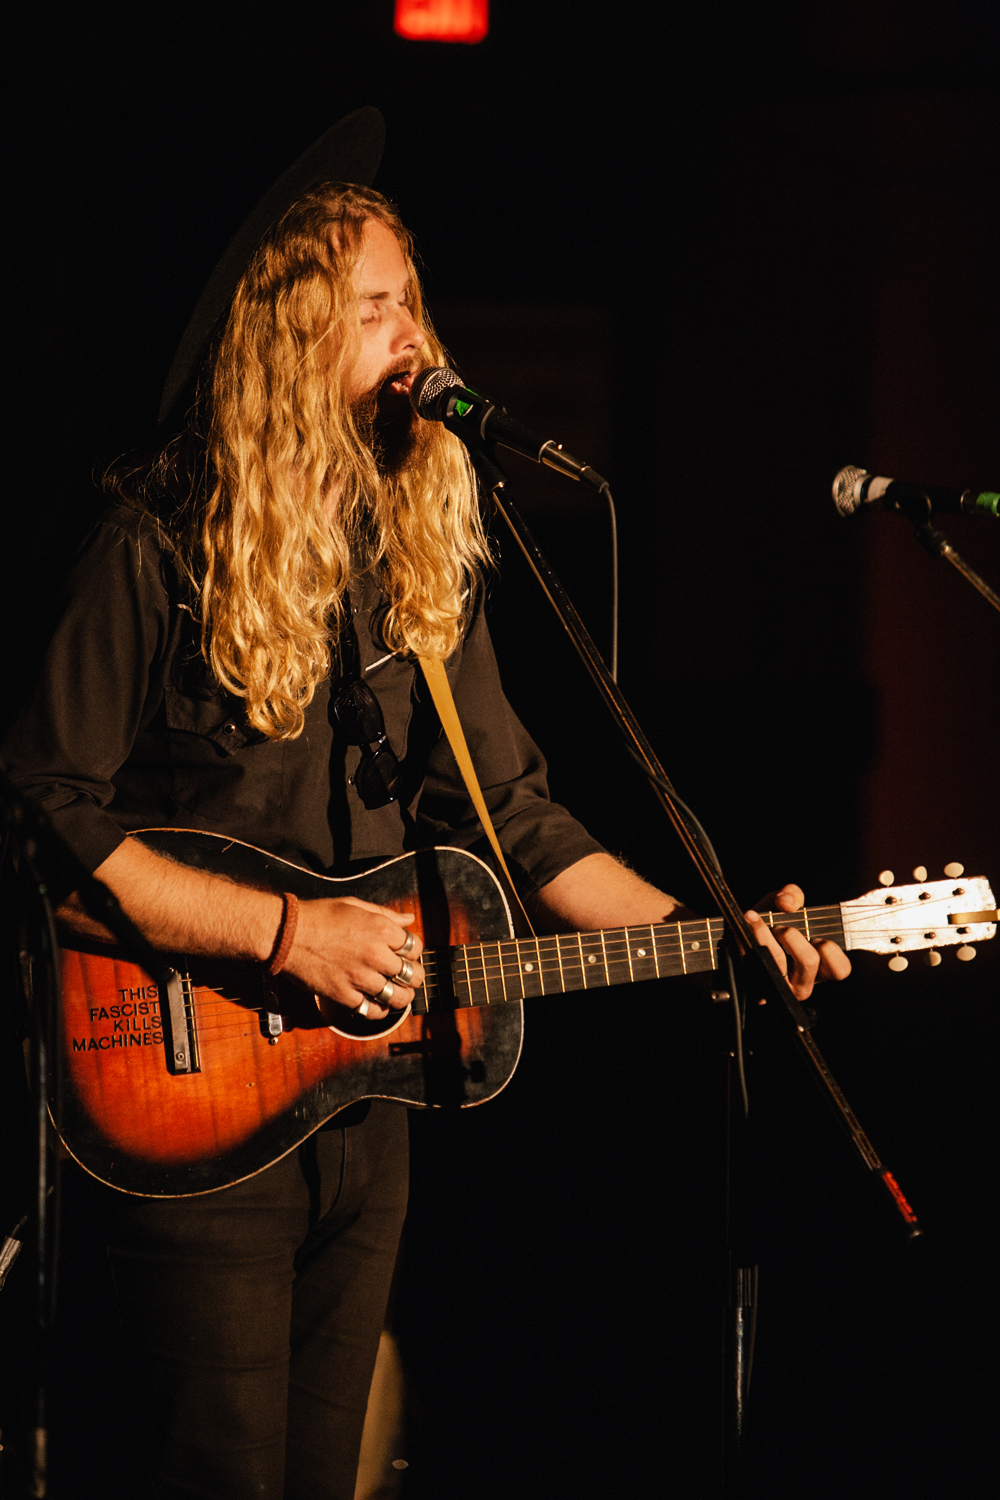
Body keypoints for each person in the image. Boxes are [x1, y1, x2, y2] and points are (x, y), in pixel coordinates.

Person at [1, 111, 849, 1499]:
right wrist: (287, 936)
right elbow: (42, 805)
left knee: (323, 1471)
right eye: (378, 306)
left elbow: (517, 813)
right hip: (185, 1094)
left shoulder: (409, 550)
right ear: (291, 338)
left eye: (412, 300)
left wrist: (716, 930)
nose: (416, 336)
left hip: (364, 1106)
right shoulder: (154, 540)